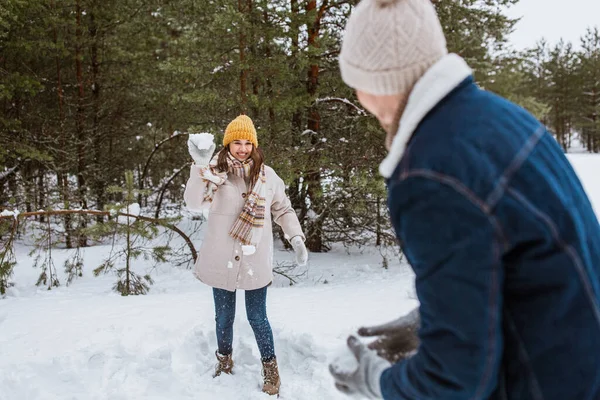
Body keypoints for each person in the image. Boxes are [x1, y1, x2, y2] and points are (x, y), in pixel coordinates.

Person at [329, 0, 600, 399]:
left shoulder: (428, 175)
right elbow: (531, 263)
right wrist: (436, 317)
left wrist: (377, 380)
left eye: (354, 77)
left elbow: (454, 381)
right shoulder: (502, 118)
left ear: (377, 82)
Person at [184, 115, 308, 396]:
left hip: (254, 259)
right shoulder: (214, 172)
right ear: (228, 144)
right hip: (221, 257)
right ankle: (224, 360)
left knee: (257, 316)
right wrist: (199, 166)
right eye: (237, 142)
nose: (242, 148)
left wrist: (296, 236)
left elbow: (283, 210)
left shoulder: (269, 176)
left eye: (247, 142)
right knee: (223, 316)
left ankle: (270, 367)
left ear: (254, 144)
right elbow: (192, 202)